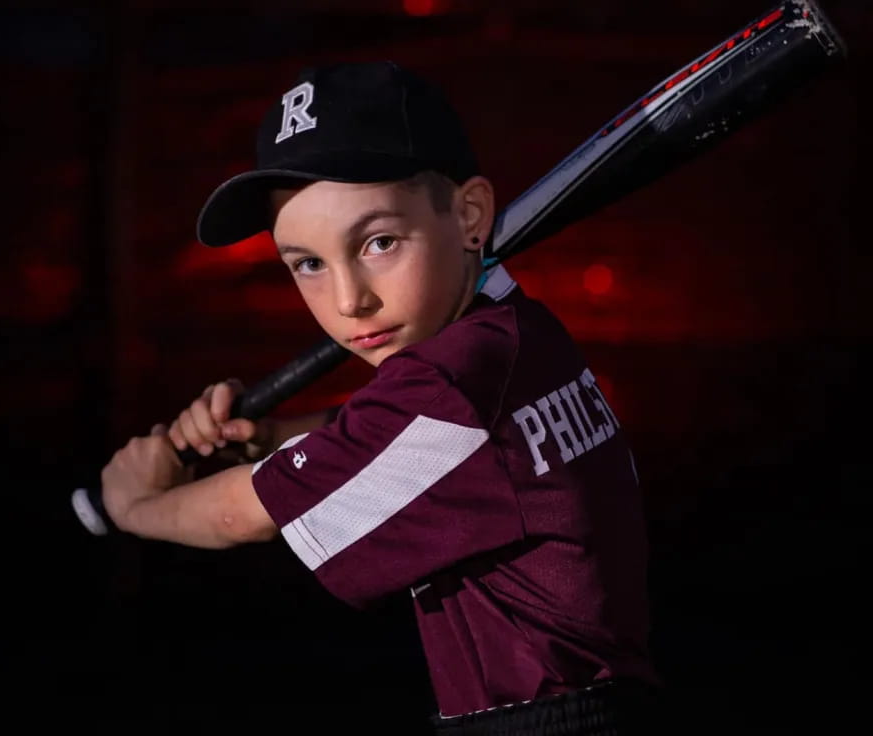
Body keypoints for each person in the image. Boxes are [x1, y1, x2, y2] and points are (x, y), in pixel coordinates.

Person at [101, 60, 664, 734]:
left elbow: (242, 516)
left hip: (542, 719)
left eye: (379, 242)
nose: (348, 301)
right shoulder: (514, 335)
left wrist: (137, 503)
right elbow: (414, 446)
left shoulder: (446, 382)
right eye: (308, 263)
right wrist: (272, 438)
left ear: (470, 214)